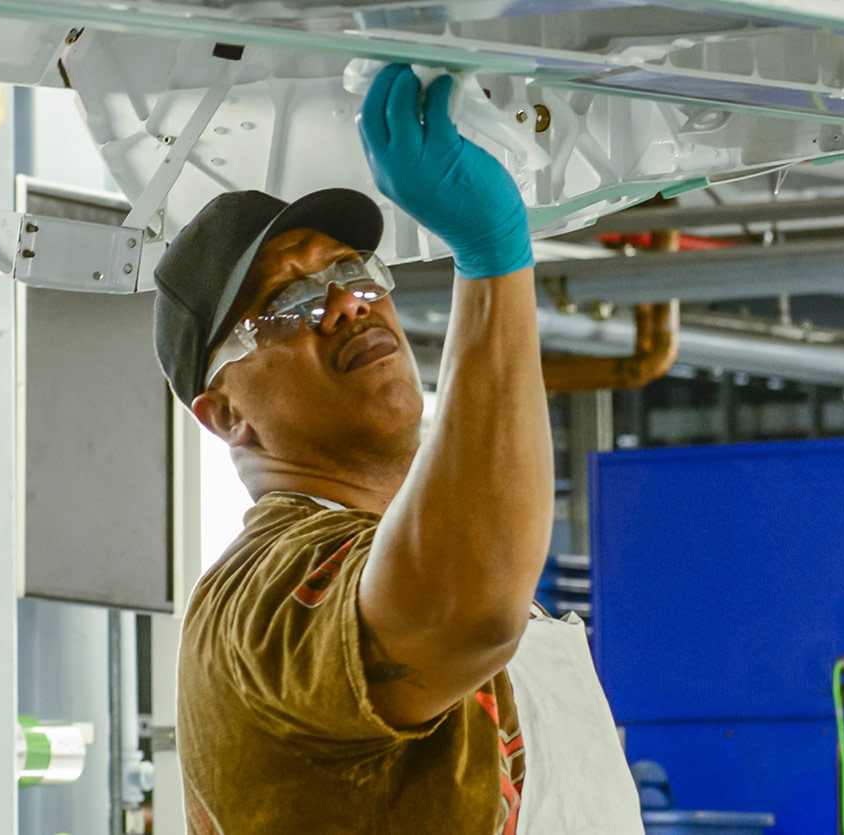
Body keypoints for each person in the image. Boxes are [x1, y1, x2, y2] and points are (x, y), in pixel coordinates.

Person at [150, 64, 646, 834]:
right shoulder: (254, 599)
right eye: (293, 302)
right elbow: (465, 606)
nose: (348, 299)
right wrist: (492, 258)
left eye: (352, 271)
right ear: (226, 414)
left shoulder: (433, 549)